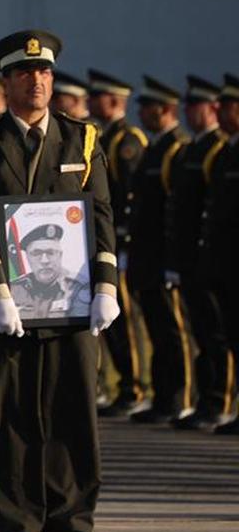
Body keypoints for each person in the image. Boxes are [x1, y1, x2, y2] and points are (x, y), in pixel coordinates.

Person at [0, 29, 118, 532]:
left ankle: (72, 520)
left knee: (73, 409)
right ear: (6, 82)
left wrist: (107, 286)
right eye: (26, 73)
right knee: (12, 414)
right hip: (7, 304)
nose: (38, 81)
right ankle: (17, 522)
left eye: (45, 72)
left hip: (73, 299)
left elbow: (104, 218)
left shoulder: (82, 140)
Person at [164, 76, 232, 431]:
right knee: (205, 333)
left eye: (198, 105)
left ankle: (219, 399)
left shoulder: (218, 149)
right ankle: (209, 399)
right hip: (201, 260)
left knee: (221, 335)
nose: (193, 112)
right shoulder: (204, 151)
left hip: (222, 260)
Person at [126, 76, 194, 424]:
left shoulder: (176, 149)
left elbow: (175, 210)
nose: (141, 112)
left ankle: (181, 397)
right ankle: (163, 395)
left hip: (163, 257)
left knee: (174, 330)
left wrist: (173, 260)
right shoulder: (155, 147)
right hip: (145, 257)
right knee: (156, 328)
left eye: (148, 107)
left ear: (166, 109)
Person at [87, 69, 150, 417]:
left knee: (125, 317)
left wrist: (121, 235)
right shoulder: (102, 135)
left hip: (122, 243)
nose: (90, 102)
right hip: (104, 242)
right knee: (111, 322)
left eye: (96, 97)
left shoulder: (128, 139)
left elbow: (127, 194)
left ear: (113, 100)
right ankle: (120, 384)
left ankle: (134, 386)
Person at [202, 74, 239, 436]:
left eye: (227, 106)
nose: (221, 112)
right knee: (227, 336)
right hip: (224, 265)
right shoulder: (228, 151)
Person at [8, 223, 92, 320]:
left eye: (51, 253)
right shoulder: (14, 288)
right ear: (27, 257)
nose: (45, 261)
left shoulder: (78, 287)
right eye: (36, 253)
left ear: (60, 255)